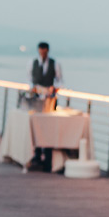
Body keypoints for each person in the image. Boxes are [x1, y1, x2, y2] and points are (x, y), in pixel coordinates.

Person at [28, 41, 63, 169]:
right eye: (41, 50)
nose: (42, 52)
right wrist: (34, 88)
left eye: (44, 50)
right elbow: (30, 80)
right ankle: (37, 155)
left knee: (49, 127)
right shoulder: (33, 62)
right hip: (37, 99)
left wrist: (54, 88)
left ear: (47, 50)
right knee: (37, 126)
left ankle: (48, 157)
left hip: (50, 100)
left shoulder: (55, 63)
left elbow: (60, 80)